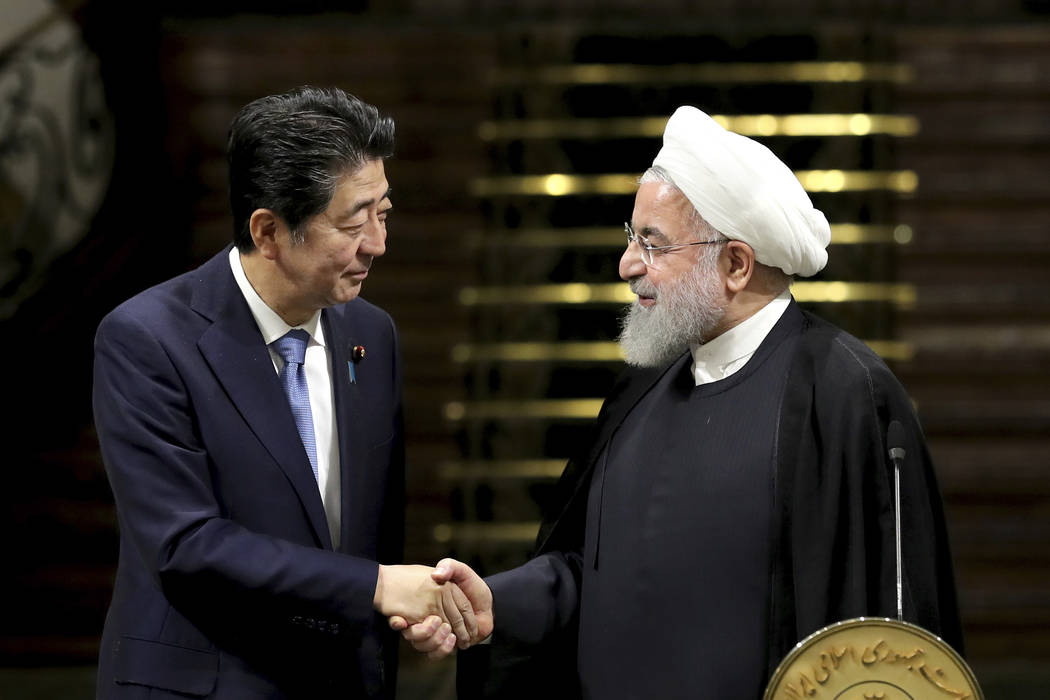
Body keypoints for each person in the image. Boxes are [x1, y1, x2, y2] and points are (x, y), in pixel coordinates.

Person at [397, 106, 964, 698]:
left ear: (736, 264)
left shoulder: (845, 395)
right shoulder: (640, 386)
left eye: (654, 244)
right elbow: (589, 573)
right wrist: (499, 604)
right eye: (631, 237)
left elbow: (891, 642)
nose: (627, 264)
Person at [92, 86, 478, 700]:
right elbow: (185, 545)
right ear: (269, 230)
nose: (377, 243)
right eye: (354, 221)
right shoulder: (147, 339)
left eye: (384, 212)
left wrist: (411, 611)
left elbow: (371, 536)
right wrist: (375, 586)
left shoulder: (373, 335)